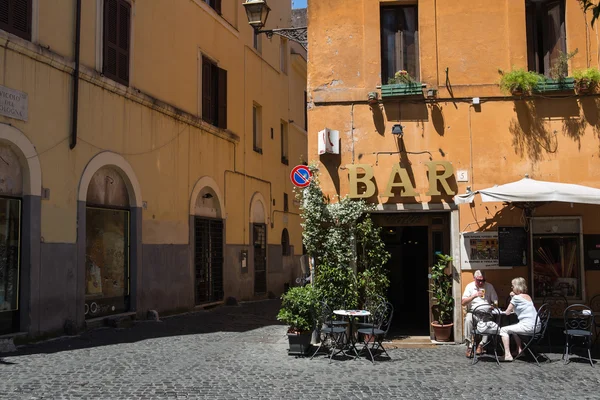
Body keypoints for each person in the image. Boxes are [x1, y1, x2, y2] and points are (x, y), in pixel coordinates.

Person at [500, 277, 540, 362]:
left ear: (517, 287)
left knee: (503, 330)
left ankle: (507, 355)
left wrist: (512, 297)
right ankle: (520, 350)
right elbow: (517, 309)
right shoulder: (528, 296)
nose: (512, 288)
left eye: (513, 286)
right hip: (537, 326)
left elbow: (507, 312)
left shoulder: (516, 298)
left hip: (528, 327)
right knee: (515, 328)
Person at [461, 270, 498, 357]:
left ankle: (481, 344)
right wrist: (474, 295)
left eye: (483, 280)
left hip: (486, 313)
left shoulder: (489, 286)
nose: (481, 282)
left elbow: (495, 301)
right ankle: (469, 346)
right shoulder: (469, 286)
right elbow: (463, 302)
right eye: (479, 280)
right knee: (468, 319)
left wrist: (493, 305)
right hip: (473, 312)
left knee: (488, 321)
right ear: (474, 278)